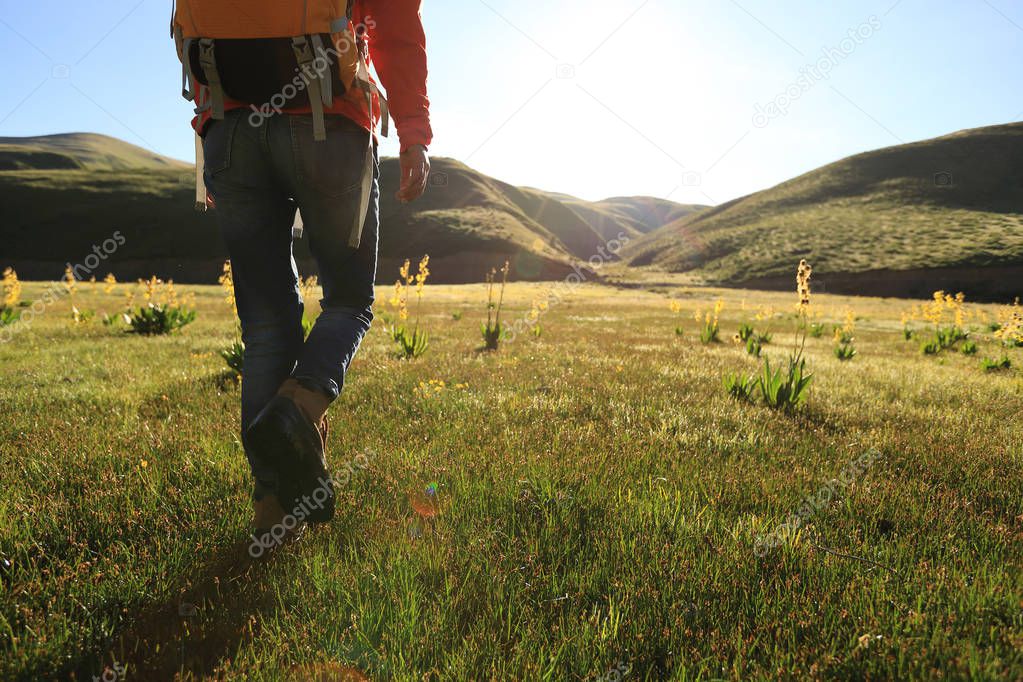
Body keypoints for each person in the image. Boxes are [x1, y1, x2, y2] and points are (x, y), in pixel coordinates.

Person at [189, 0, 432, 544]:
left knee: (267, 325)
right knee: (349, 301)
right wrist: (414, 132)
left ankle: (272, 512)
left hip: (228, 127)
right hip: (331, 121)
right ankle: (297, 410)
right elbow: (396, 28)